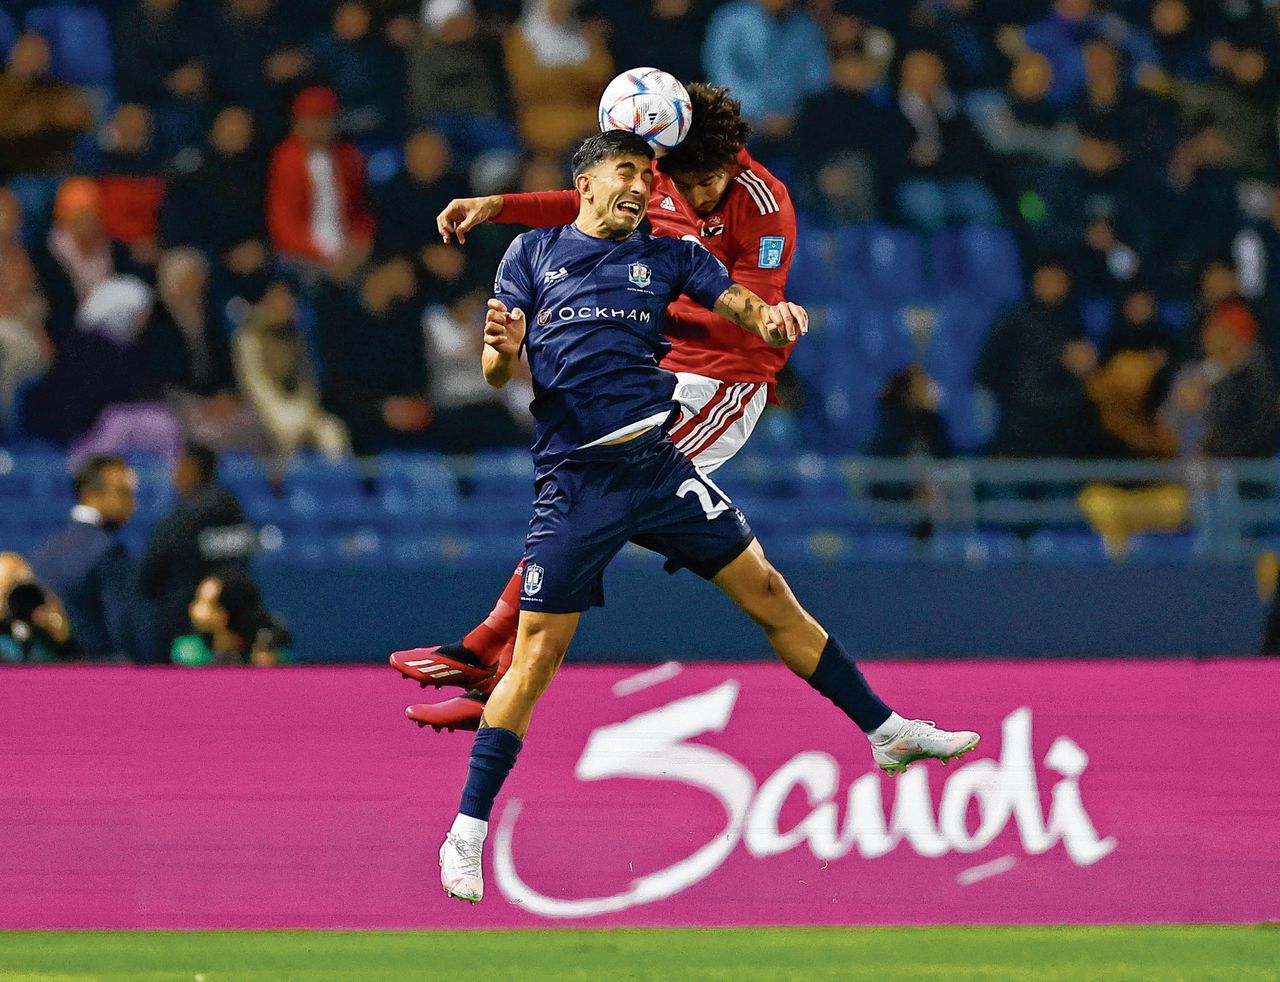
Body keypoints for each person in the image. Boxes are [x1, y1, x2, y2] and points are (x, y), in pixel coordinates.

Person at [434, 132, 980, 903]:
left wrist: (775, 318)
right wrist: (504, 349)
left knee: (767, 591)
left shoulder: (670, 256)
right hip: (578, 483)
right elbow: (496, 367)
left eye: (640, 172)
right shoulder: (529, 254)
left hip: (655, 467)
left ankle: (886, 733)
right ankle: (465, 835)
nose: (635, 184)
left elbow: (742, 307)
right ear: (584, 183)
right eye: (621, 171)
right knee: (537, 661)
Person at [397, 83, 802, 731]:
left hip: (725, 382)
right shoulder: (659, 176)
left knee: (585, 503)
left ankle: (480, 654)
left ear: (733, 161)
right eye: (682, 184)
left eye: (707, 185)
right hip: (662, 372)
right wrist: (496, 205)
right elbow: (580, 207)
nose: (694, 199)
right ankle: (488, 680)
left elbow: (747, 315)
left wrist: (658, 288)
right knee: (576, 513)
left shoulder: (765, 203)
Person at [139, 443, 257, 662]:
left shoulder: (180, 518)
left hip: (182, 632)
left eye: (179, 466)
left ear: (192, 468)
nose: (174, 473)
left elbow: (148, 576)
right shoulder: (236, 511)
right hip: (234, 632)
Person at [30, 455, 151, 662]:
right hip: (99, 676)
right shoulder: (109, 553)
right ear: (89, 494)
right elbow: (125, 629)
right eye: (123, 493)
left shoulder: (44, 551)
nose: (133, 504)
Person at [171, 569, 291, 666]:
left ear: (229, 611)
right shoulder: (188, 649)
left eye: (209, 604)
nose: (194, 608)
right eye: (197, 600)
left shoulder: (267, 652)